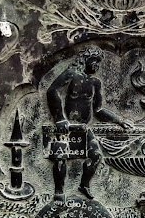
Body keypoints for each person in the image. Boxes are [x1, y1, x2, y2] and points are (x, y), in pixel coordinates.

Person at [46, 46, 133, 199]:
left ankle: (84, 185)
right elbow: (52, 91)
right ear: (86, 59)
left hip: (84, 128)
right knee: (60, 157)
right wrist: (59, 118)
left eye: (99, 63)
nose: (97, 65)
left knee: (96, 156)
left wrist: (119, 120)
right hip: (66, 127)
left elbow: (98, 110)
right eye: (95, 61)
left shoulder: (95, 82)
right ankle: (59, 192)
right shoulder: (71, 74)